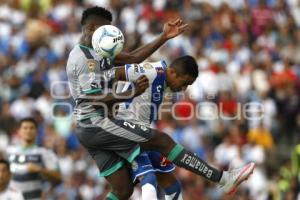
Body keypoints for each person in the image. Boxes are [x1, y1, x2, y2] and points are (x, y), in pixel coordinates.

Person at [66, 6, 255, 200]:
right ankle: (222, 178)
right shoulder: (82, 59)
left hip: (94, 126)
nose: (110, 34)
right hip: (95, 123)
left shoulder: (100, 50)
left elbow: (131, 58)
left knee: (123, 190)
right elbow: (89, 100)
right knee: (161, 142)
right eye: (105, 29)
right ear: (91, 27)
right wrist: (129, 92)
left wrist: (163, 37)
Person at [116, 56, 199, 200]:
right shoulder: (152, 72)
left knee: (172, 186)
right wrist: (110, 102)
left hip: (142, 133)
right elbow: (116, 73)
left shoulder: (166, 83)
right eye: (184, 83)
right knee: (149, 179)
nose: (184, 88)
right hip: (124, 132)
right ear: (172, 73)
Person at [6, 118, 61, 200]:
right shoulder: (9, 151)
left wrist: (40, 169)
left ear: (36, 131)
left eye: (31, 128)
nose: (28, 131)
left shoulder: (45, 152)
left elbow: (58, 177)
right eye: (25, 128)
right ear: (19, 131)